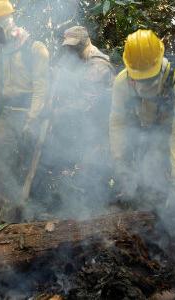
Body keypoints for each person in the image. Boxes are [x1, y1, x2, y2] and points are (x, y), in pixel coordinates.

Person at [109, 29, 175, 198]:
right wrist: (119, 162)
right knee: (143, 168)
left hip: (169, 128)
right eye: (138, 78)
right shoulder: (122, 82)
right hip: (143, 125)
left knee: (159, 165)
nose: (143, 85)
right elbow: (117, 123)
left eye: (148, 78)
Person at [0, 0, 50, 200]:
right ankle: (4, 202)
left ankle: (33, 209)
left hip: (30, 113)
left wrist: (32, 120)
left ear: (4, 24)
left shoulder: (35, 48)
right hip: (8, 112)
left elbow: (41, 88)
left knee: (28, 162)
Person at [39, 26, 114, 212]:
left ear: (84, 42)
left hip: (102, 124)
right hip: (87, 123)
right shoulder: (80, 59)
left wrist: (56, 113)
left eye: (73, 46)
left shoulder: (98, 64)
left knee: (94, 168)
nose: (70, 50)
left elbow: (86, 102)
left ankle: (97, 209)